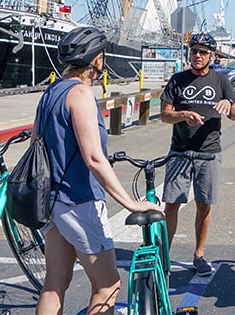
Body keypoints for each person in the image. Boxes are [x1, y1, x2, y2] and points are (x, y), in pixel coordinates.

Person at [37, 26, 160, 315]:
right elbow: (93, 158)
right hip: (79, 200)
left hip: (51, 202)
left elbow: (36, 146)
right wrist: (130, 203)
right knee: (108, 285)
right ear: (97, 60)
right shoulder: (80, 95)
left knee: (55, 283)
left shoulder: (50, 92)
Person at [160, 32, 235, 275]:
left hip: (209, 152)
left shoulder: (221, 81)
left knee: (204, 205)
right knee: (171, 205)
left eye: (203, 52)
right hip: (180, 151)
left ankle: (199, 254)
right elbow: (164, 115)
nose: (197, 55)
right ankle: (164, 257)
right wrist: (183, 115)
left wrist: (228, 107)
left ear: (212, 56)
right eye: (194, 50)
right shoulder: (177, 79)